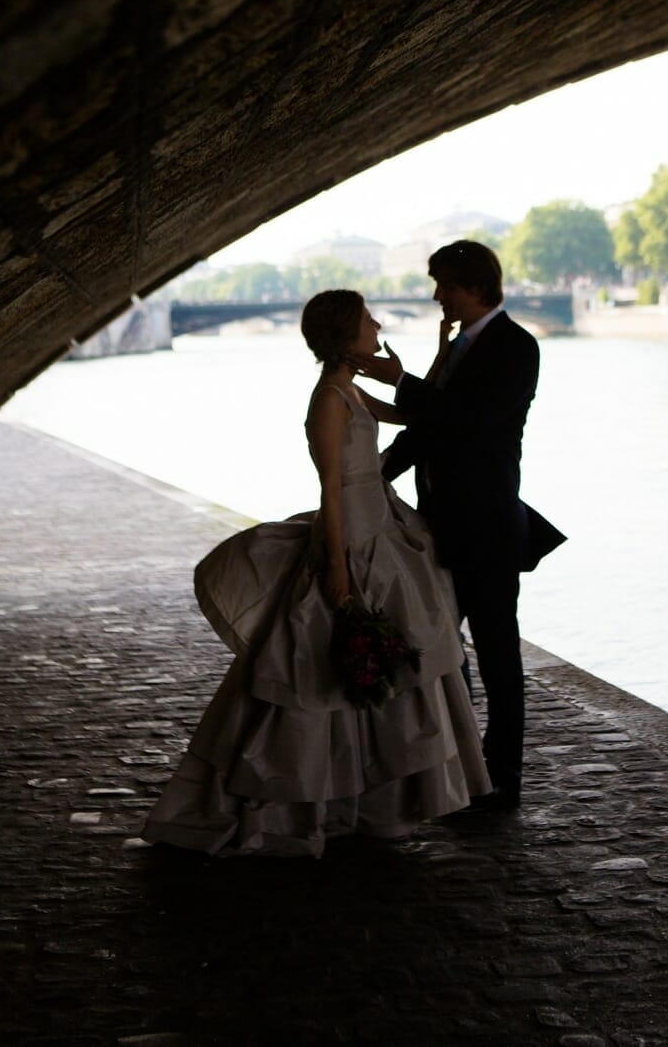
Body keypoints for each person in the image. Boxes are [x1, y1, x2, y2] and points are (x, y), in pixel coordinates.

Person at [142, 290, 491, 857]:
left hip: (381, 525)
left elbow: (413, 414)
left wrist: (428, 359)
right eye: (366, 319)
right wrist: (336, 564)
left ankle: (366, 801)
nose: (377, 322)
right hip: (353, 537)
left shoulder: (350, 388)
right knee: (329, 673)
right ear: (344, 333)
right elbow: (330, 487)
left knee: (369, 669)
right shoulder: (329, 399)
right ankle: (313, 802)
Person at [355, 241, 564, 812]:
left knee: (498, 656)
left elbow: (470, 422)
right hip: (440, 527)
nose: (436, 295)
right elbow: (427, 429)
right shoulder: (454, 348)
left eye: (444, 285)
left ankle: (503, 783)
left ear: (474, 287)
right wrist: (373, 475)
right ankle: (462, 772)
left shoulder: (517, 347)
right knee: (440, 650)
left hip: (489, 529)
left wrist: (401, 381)